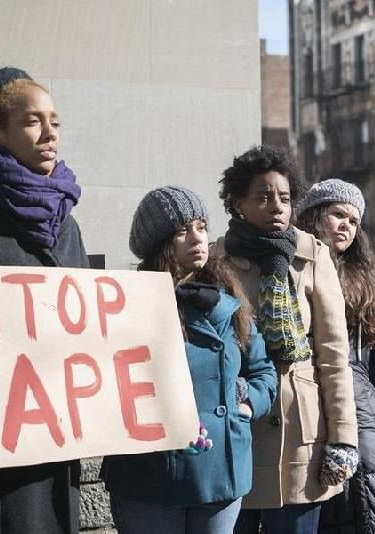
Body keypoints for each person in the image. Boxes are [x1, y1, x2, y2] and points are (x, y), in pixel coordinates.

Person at [0, 68, 88, 533]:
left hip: (58, 442)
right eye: (32, 121)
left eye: (55, 121)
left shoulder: (67, 223)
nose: (50, 134)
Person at [101, 186, 277, 533]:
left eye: (201, 227)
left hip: (219, 471)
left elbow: (263, 372)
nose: (198, 238)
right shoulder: (127, 303)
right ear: (160, 243)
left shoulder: (230, 301)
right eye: (183, 231)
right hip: (149, 476)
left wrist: (243, 407)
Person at [213, 146, 358, 534]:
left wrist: (344, 437)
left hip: (301, 432)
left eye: (285, 197)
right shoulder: (217, 260)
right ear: (238, 203)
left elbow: (334, 355)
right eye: (263, 197)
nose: (277, 206)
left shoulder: (313, 255)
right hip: (240, 427)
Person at [296, 179, 375, 534]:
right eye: (338, 214)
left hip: (367, 416)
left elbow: (374, 353)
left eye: (354, 220)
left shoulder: (364, 277)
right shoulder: (295, 267)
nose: (346, 226)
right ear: (314, 215)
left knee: (372, 512)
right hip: (312, 403)